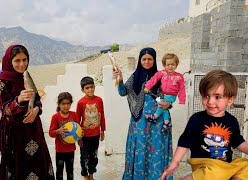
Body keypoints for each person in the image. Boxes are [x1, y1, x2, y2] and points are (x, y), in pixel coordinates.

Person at [160, 70, 248, 180]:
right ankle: (189, 178)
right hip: (203, 164)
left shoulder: (232, 121)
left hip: (223, 166)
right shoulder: (196, 119)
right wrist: (175, 162)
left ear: (230, 100)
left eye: (217, 97)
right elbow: (185, 142)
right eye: (206, 96)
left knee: (245, 165)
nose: (210, 101)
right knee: (216, 172)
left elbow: (239, 142)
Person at [0, 44, 54, 179]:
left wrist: (36, 110)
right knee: (17, 168)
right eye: (17, 61)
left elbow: (37, 99)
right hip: (14, 133)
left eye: (25, 60)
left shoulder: (26, 75)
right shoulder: (1, 80)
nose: (22, 64)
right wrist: (18, 100)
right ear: (9, 61)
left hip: (33, 130)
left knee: (37, 166)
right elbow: (2, 109)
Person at [113, 47, 172, 179]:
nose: (146, 62)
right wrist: (120, 80)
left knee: (156, 150)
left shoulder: (162, 77)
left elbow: (169, 99)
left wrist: (169, 104)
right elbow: (123, 92)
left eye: (149, 59)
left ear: (154, 60)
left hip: (159, 121)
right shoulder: (135, 77)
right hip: (139, 121)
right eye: (144, 59)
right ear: (140, 60)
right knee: (140, 150)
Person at [144, 53, 186, 132]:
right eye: (168, 65)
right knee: (164, 108)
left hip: (171, 95)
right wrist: (147, 86)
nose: (170, 66)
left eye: (172, 64)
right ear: (164, 65)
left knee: (162, 104)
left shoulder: (179, 77)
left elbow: (182, 89)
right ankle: (166, 122)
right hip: (163, 94)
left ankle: (155, 116)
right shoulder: (161, 73)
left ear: (176, 65)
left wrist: (182, 99)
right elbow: (154, 79)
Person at [76, 76, 105, 180]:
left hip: (96, 135)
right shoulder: (80, 102)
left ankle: (91, 176)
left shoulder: (99, 100)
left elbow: (102, 116)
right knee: (84, 157)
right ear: (82, 89)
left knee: (93, 156)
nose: (90, 89)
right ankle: (85, 176)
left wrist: (102, 131)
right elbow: (77, 120)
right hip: (84, 136)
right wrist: (78, 137)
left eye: (92, 87)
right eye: (87, 88)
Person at [49, 92, 79, 180]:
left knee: (70, 171)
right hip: (60, 150)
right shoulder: (55, 117)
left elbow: (78, 129)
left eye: (68, 104)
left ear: (71, 104)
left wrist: (80, 137)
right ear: (59, 104)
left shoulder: (74, 115)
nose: (66, 106)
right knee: (59, 171)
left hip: (71, 150)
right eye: (63, 104)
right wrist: (58, 131)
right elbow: (51, 133)